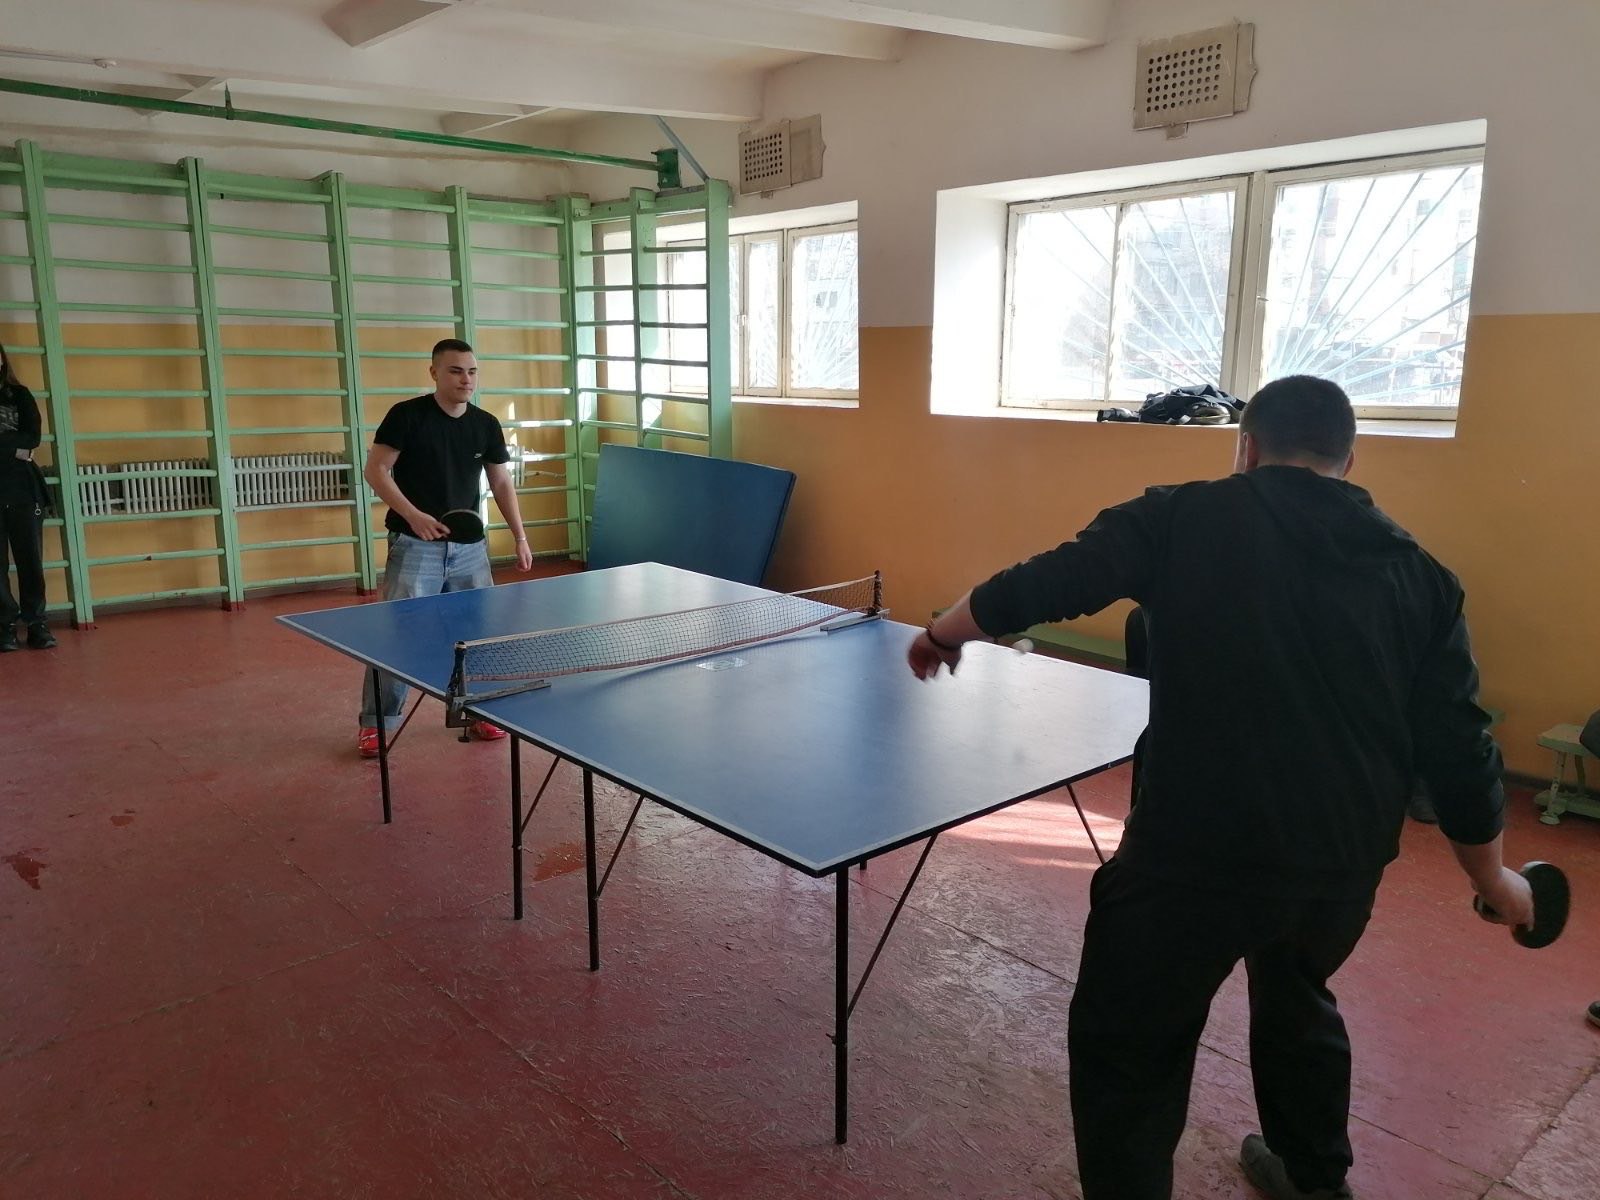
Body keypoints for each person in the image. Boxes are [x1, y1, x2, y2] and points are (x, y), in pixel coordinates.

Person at [908, 375, 1533, 1200]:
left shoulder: (1179, 516)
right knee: (1299, 1000)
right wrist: (1494, 878)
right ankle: (1314, 1180)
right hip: (1337, 865)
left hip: (1190, 855)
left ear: (1246, 447)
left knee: (1130, 1045)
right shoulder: (1424, 577)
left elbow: (1050, 579)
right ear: (1349, 460)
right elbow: (1459, 744)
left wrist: (945, 631)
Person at [356, 338, 532, 756]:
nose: (466, 379)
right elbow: (376, 470)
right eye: (455, 371)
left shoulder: (485, 424)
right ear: (434, 373)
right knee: (399, 636)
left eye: (472, 371)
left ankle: (478, 711)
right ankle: (377, 723)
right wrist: (413, 515)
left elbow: (500, 481)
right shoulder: (407, 416)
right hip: (415, 546)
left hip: (469, 549)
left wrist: (520, 536)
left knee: (476, 636)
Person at [0, 342, 54, 652]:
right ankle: (4, 626)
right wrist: (14, 447)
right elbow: (21, 444)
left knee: (30, 560)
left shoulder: (19, 395)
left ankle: (36, 624)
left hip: (23, 489)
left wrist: (17, 447)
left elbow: (32, 436)